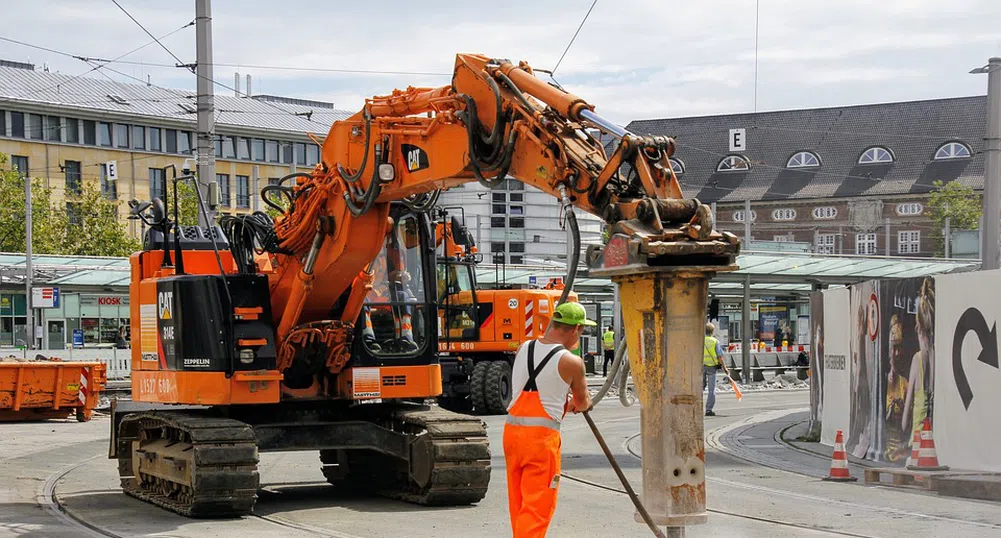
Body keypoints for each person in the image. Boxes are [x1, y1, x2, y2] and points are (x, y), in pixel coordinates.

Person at [504, 302, 593, 538]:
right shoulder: (571, 362)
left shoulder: (524, 347)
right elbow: (583, 403)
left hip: (512, 435)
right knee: (537, 508)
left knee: (519, 502)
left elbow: (541, 386)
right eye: (582, 331)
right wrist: (577, 402)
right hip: (540, 443)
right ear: (575, 329)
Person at [703, 322, 725, 416]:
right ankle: (708, 410)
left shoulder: (700, 340)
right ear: (712, 331)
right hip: (712, 367)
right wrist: (725, 368)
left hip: (701, 367)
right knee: (711, 390)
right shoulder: (715, 341)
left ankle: (696, 408)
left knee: (699, 388)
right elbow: (720, 356)